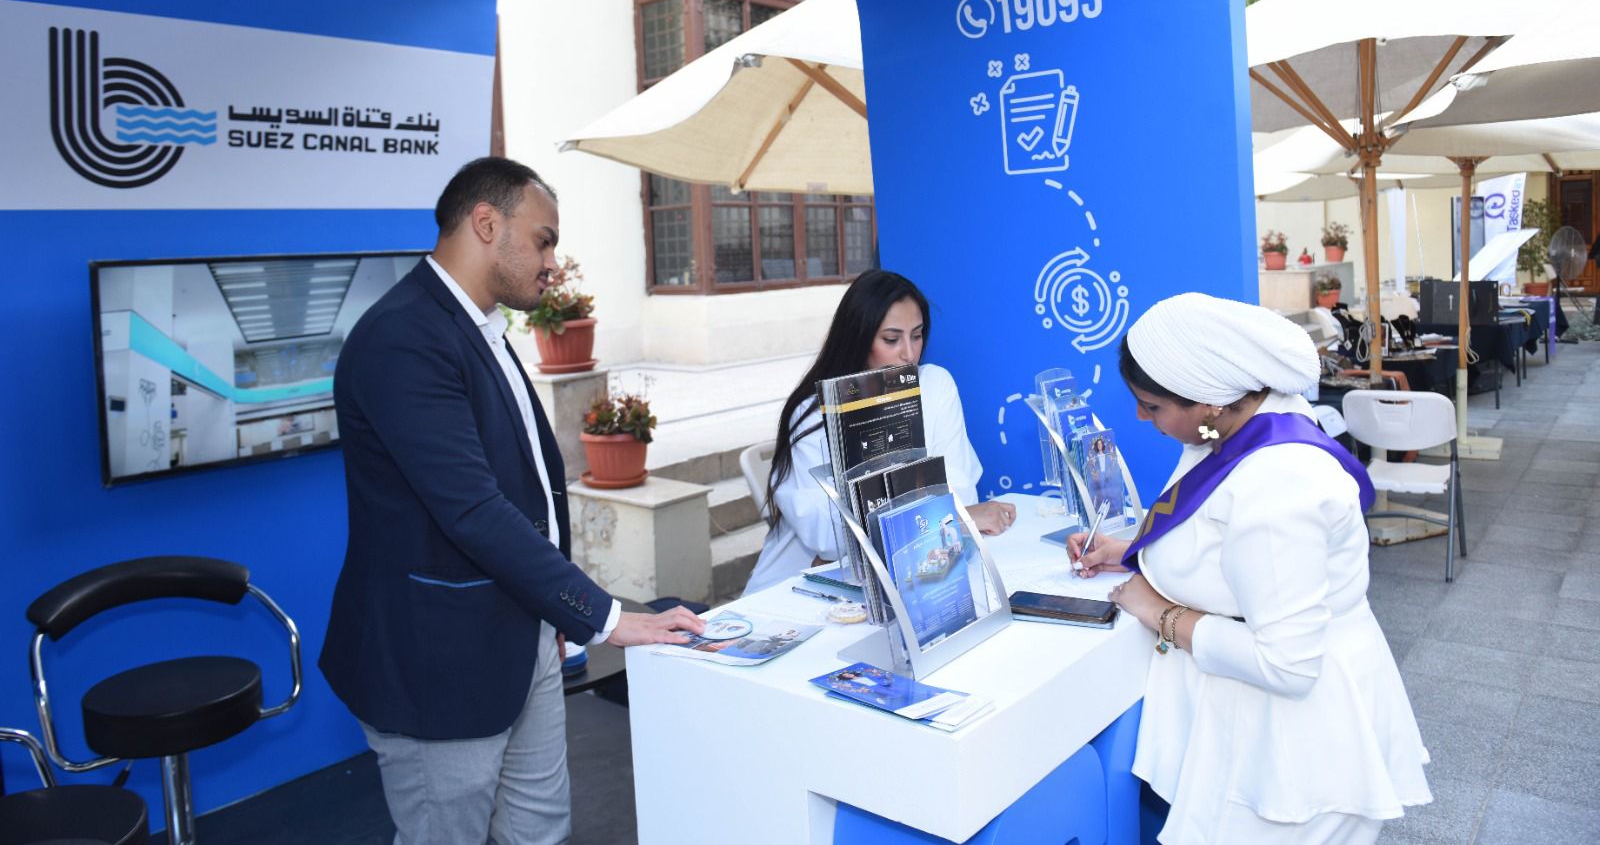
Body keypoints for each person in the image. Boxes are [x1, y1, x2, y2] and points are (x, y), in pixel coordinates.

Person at [320, 157, 704, 845]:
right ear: (485, 223)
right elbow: (472, 510)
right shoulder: (402, 338)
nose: (553, 262)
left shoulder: (479, 327)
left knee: (539, 830)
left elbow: (525, 489)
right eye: (543, 240)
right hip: (438, 664)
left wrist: (551, 610)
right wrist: (605, 617)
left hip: (520, 636)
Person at [1069, 293, 1430, 845]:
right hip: (1263, 723)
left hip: (1297, 746)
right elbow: (1213, 526)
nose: (1142, 417)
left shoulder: (1278, 486)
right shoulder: (1244, 419)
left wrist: (1158, 610)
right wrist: (1135, 550)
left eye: (1152, 405)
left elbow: (1286, 664)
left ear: (1207, 403)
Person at [743, 269, 1016, 594]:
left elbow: (961, 492)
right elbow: (828, 538)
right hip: (800, 591)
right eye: (891, 339)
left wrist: (909, 515)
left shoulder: (934, 384)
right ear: (858, 338)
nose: (909, 353)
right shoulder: (814, 412)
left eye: (917, 335)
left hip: (912, 576)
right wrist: (943, 514)